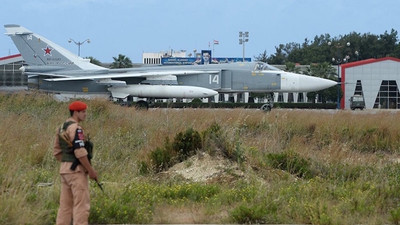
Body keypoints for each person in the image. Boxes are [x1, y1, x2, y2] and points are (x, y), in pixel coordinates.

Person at [53, 100, 98, 225]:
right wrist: (90, 170)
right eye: (83, 112)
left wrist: (66, 163)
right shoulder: (76, 128)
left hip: (65, 170)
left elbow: (57, 151)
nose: (85, 114)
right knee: (81, 206)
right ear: (75, 112)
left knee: (65, 207)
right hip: (77, 171)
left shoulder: (62, 127)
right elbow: (80, 151)